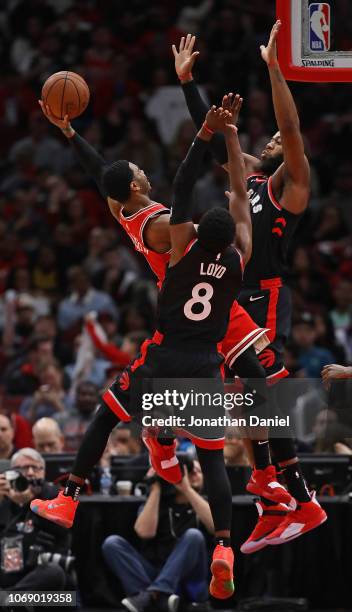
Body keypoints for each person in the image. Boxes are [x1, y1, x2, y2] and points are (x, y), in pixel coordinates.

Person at [32, 104, 253, 600]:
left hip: (164, 351)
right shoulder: (217, 249)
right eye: (136, 172)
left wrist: (70, 132)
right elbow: (224, 194)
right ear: (134, 188)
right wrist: (218, 139)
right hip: (201, 359)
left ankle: (69, 498)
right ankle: (223, 547)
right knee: (214, 458)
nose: (142, 171)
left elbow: (105, 175)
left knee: (107, 417)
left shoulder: (134, 219)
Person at [174, 24, 326, 552]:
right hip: (230, 296)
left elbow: (292, 123)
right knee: (245, 399)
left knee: (261, 390)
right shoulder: (245, 179)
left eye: (284, 141)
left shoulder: (289, 187)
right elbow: (211, 131)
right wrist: (188, 83)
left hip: (263, 292)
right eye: (273, 138)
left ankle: (292, 496)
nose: (276, 138)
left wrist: (274, 68)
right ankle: (274, 495)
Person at [102, 462, 211, 612]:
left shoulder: (205, 503)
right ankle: (157, 598)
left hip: (189, 580)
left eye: (197, 471)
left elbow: (215, 526)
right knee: (112, 543)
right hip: (156, 573)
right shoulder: (158, 502)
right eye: (188, 471)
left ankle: (152, 595)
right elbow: (144, 532)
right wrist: (156, 488)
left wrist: (186, 489)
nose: (192, 475)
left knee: (194, 535)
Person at [0, 448, 71, 591]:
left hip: (38, 577)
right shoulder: (3, 498)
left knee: (55, 573)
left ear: (44, 472)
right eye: (24, 468)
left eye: (36, 468)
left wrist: (28, 503)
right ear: (10, 473)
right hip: (6, 574)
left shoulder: (52, 495)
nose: (31, 472)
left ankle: (8, 602)